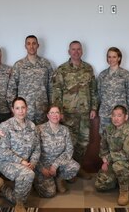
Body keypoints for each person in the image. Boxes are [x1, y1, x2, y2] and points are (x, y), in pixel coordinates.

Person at [52, 40, 98, 180]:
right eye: (73, 49)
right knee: (69, 143)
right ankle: (68, 172)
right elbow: (56, 92)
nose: (76, 52)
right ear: (69, 51)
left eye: (78, 49)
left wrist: (94, 107)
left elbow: (93, 90)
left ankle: (78, 168)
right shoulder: (62, 69)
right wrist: (58, 111)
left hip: (84, 114)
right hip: (68, 114)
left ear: (82, 51)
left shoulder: (88, 68)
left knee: (83, 143)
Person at [0, 97, 40, 212]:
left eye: (23, 108)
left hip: (27, 163)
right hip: (6, 162)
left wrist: (34, 162)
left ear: (27, 109)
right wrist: (22, 162)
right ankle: (19, 204)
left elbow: (37, 148)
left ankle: (5, 190)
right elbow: (2, 151)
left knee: (31, 176)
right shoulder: (5, 126)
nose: (21, 111)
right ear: (13, 110)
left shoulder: (32, 126)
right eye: (17, 108)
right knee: (28, 174)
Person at [95, 105, 129, 206]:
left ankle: (125, 191)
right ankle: (118, 179)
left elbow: (127, 154)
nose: (116, 118)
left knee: (118, 166)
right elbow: (103, 147)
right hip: (112, 161)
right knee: (100, 185)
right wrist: (105, 160)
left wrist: (108, 159)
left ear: (126, 117)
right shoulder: (108, 129)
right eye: (114, 115)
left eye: (119, 115)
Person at [7, 35, 54, 125]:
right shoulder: (19, 65)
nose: (31, 46)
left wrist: (51, 108)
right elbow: (11, 89)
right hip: (23, 111)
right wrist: (14, 109)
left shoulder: (46, 64)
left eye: (34, 43)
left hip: (42, 109)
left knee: (41, 136)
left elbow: (51, 88)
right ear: (25, 46)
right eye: (28, 44)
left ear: (38, 45)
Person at [34, 106, 80, 198]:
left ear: (60, 115)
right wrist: (41, 168)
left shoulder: (64, 130)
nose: (55, 115)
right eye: (52, 113)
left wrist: (55, 165)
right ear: (48, 115)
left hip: (59, 164)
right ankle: (37, 180)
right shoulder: (39, 129)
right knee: (49, 193)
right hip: (43, 166)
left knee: (75, 166)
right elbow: (33, 152)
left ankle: (59, 179)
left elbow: (69, 150)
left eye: (57, 112)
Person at [97, 47, 129, 133]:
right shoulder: (102, 75)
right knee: (105, 139)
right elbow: (99, 94)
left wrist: (126, 111)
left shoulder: (126, 75)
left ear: (119, 58)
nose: (111, 59)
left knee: (121, 139)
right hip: (105, 114)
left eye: (114, 57)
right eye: (109, 57)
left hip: (120, 115)